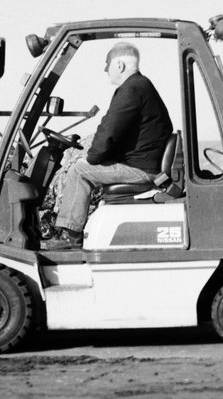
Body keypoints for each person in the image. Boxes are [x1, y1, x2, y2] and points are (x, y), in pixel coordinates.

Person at [44, 42, 173, 250]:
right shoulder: (141, 86)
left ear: (120, 65)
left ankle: (71, 237)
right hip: (144, 163)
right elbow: (115, 130)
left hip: (141, 169)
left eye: (107, 65)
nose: (105, 70)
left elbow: (109, 131)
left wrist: (92, 158)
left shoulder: (132, 89)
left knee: (79, 170)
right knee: (83, 166)